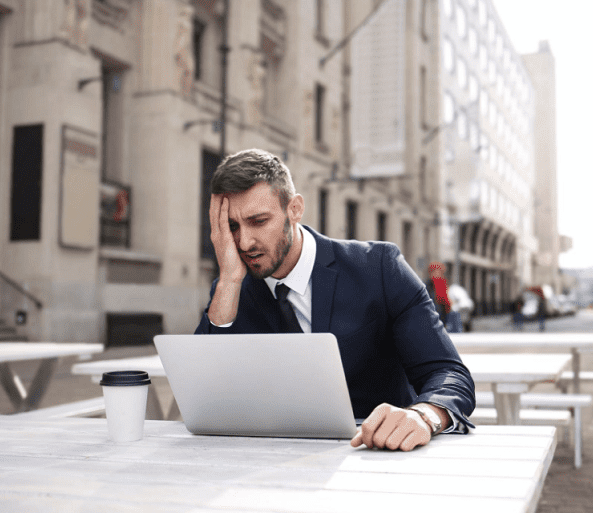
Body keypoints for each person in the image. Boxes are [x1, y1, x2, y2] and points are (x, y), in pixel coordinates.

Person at [195, 149, 475, 452]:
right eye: (232, 227)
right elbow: (203, 394)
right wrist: (228, 281)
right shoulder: (232, 290)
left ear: (295, 209)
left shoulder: (379, 268)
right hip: (270, 464)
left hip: (377, 457)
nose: (245, 243)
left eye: (259, 221)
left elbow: (449, 374)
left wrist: (423, 416)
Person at [426, 262, 452, 328]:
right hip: (434, 311)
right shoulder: (429, 284)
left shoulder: (442, 282)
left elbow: (445, 299)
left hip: (441, 311)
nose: (438, 274)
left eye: (440, 272)